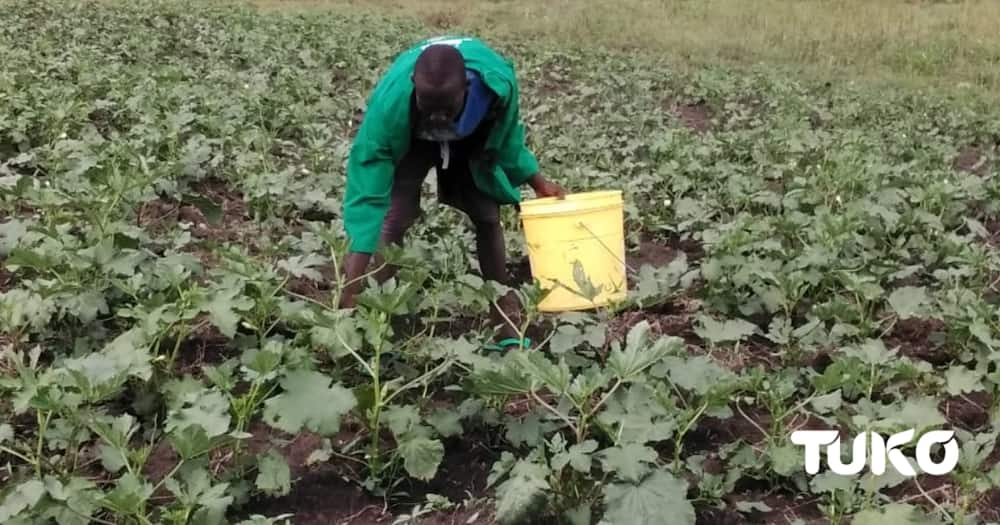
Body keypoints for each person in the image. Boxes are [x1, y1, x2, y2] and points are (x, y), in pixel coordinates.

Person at [338, 36, 565, 349]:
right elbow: (368, 190)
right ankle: (375, 318)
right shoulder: (391, 106)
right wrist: (351, 284)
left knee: (486, 216)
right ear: (413, 86)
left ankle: (504, 317)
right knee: (393, 217)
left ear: (467, 90)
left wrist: (538, 182)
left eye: (446, 109)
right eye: (429, 108)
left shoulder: (494, 87)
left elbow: (507, 139)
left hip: (470, 135)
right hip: (412, 136)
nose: (437, 118)